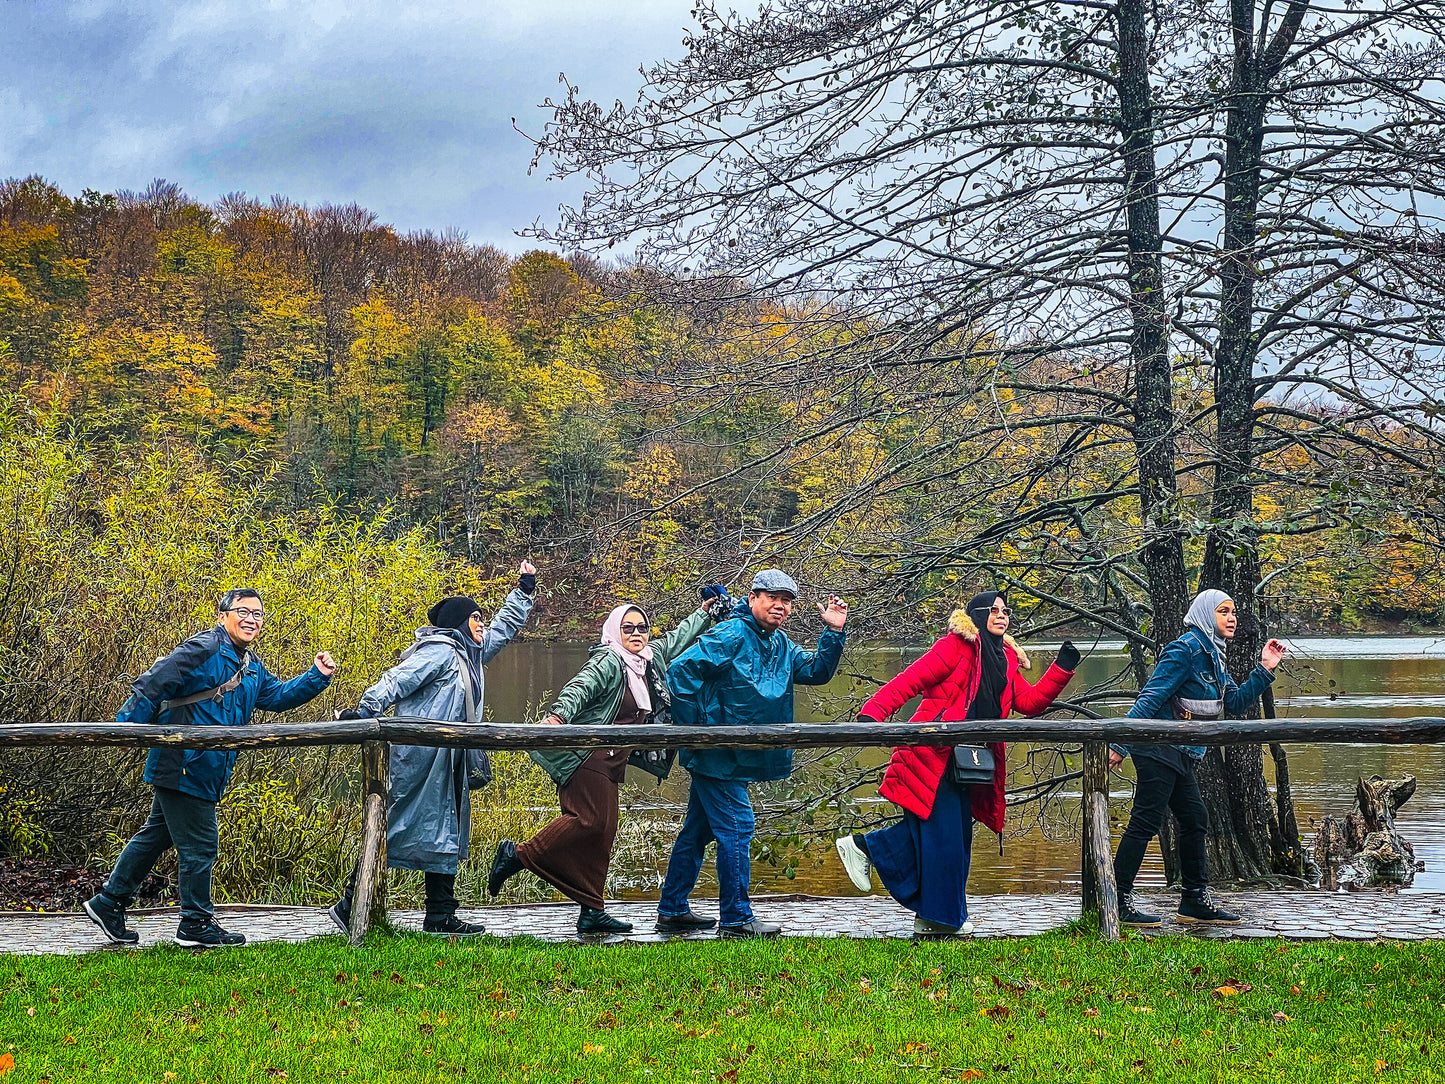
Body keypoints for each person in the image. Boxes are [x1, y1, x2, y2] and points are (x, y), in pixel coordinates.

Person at [83, 588, 336, 948]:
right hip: (183, 763)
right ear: (223, 616)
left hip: (205, 768)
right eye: (243, 611)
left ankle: (109, 903)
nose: (251, 619)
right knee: (201, 845)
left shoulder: (249, 667)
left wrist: (316, 675)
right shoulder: (204, 648)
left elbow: (277, 697)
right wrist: (129, 727)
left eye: (258, 614)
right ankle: (195, 924)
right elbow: (154, 681)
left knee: (157, 834)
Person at [487, 588, 731, 934]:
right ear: (615, 631)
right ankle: (518, 854)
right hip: (588, 755)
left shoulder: (648, 659)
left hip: (613, 761)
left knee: (603, 834)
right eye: (628, 628)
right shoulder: (609, 660)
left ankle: (591, 912)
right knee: (587, 821)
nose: (636, 634)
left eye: (642, 628)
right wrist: (556, 718)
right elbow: (580, 687)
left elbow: (678, 637)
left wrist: (705, 613)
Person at [836, 591, 1077, 937]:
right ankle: (938, 914)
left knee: (951, 841)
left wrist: (1062, 668)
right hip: (932, 757)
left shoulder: (1006, 658)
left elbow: (1028, 702)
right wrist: (872, 713)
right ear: (977, 615)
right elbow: (909, 680)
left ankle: (923, 907)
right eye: (993, 611)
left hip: (970, 763)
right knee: (945, 842)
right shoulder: (954, 647)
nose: (1001, 616)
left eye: (1005, 611)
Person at [329, 562, 537, 937]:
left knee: (445, 829)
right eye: (475, 618)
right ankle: (349, 903)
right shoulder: (439, 651)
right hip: (421, 757)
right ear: (458, 622)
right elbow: (396, 680)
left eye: (482, 618)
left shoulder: (470, 654)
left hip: (449, 759)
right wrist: (367, 709)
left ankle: (440, 915)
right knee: (394, 826)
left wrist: (524, 591)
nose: (481, 624)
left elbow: (504, 630)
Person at [655, 569, 848, 938]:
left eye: (787, 600)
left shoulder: (782, 644)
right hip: (718, 756)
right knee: (738, 827)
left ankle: (673, 908)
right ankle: (736, 918)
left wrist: (834, 631)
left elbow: (816, 671)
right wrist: (698, 733)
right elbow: (679, 674)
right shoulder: (729, 633)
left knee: (697, 832)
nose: (780, 605)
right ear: (753, 598)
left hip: (738, 758)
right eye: (772, 597)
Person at [1108, 589, 1287, 927]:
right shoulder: (1186, 649)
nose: (1231, 618)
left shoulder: (1214, 655)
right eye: (1223, 612)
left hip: (1184, 752)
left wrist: (1264, 668)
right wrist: (1122, 743)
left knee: (1194, 820)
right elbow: (1152, 696)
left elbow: (1232, 702)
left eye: (1233, 612)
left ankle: (1193, 900)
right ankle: (1116, 900)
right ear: (1206, 615)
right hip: (1158, 747)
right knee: (1146, 822)